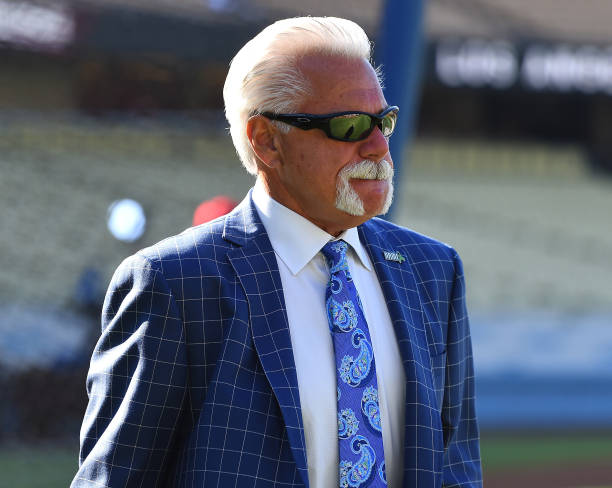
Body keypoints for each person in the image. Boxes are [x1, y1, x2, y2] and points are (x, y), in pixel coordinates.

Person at [72, 17, 481, 488]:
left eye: (383, 121)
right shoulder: (174, 282)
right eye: (349, 126)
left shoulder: (434, 269)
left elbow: (455, 468)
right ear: (266, 140)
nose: (378, 146)